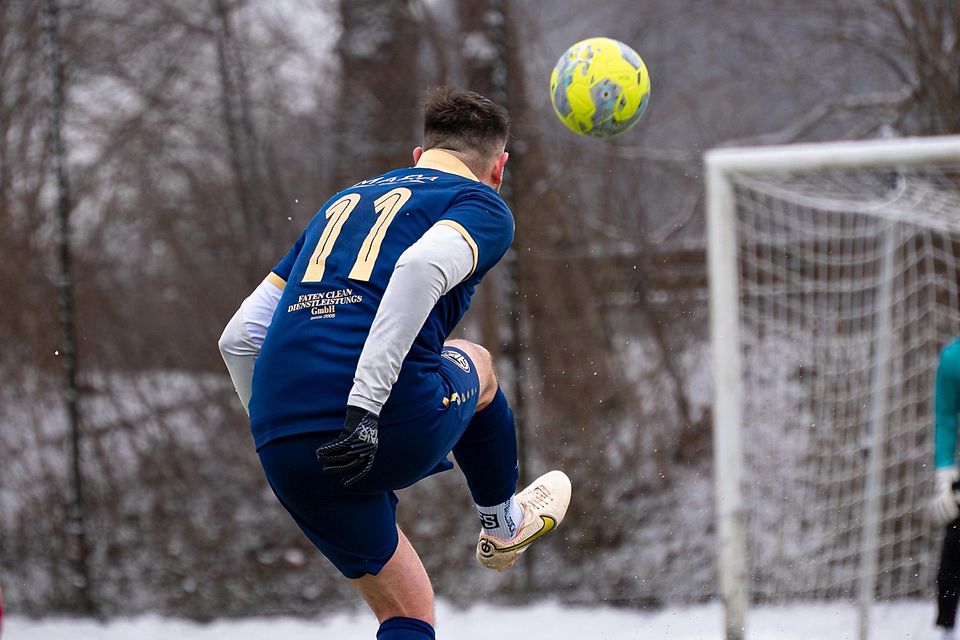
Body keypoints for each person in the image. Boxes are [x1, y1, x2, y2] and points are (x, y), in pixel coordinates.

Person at [219, 86, 571, 640]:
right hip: (381, 417)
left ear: (417, 155)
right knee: (476, 363)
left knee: (407, 609)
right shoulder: (480, 205)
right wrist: (363, 407)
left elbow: (239, 337)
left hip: (283, 441)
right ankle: (503, 525)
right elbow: (419, 268)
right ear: (498, 167)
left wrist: (275, 428)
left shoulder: (342, 204)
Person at [932, 337, 960, 640]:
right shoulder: (953, 359)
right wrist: (944, 476)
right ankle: (947, 632)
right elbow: (946, 418)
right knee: (953, 555)